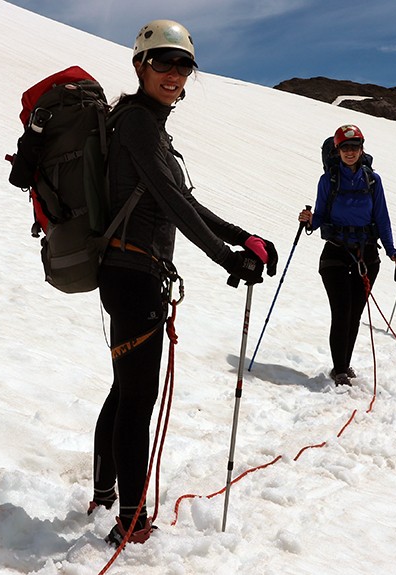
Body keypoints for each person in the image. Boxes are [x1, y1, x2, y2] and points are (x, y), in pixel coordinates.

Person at [91, 19, 278, 546]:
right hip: (133, 277)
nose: (174, 73)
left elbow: (182, 200)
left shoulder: (145, 123)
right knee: (137, 400)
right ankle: (129, 519)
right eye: (162, 62)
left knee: (124, 391)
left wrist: (244, 237)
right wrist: (227, 259)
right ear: (139, 65)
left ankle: (105, 494)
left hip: (131, 274)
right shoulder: (137, 124)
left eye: (184, 65)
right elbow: (172, 201)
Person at [299, 125, 396, 386]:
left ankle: (343, 365)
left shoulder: (373, 180)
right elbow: (321, 214)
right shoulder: (329, 180)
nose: (350, 152)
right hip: (335, 252)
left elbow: (382, 218)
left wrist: (393, 252)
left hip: (367, 255)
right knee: (342, 311)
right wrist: (310, 221)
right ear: (337, 150)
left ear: (362, 148)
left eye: (354, 147)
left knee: (355, 313)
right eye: (345, 147)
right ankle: (340, 369)